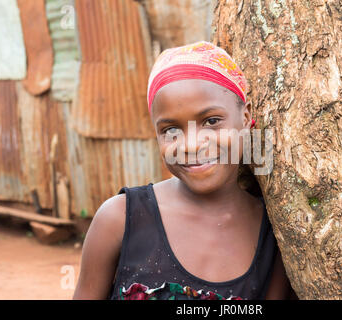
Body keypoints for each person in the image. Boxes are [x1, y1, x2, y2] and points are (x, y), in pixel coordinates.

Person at [73, 41, 295, 300]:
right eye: (171, 130)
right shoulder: (119, 219)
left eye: (211, 121)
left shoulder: (275, 235)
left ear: (245, 119)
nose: (191, 145)